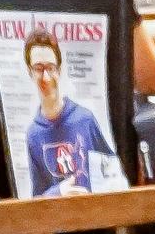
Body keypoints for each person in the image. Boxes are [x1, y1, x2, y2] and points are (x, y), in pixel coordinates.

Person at [14, 30, 120, 196]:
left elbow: (113, 173)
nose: (46, 77)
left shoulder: (85, 120)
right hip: (61, 220)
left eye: (50, 67)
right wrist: (58, 192)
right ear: (30, 72)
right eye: (38, 68)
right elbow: (37, 200)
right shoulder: (34, 135)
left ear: (59, 69)